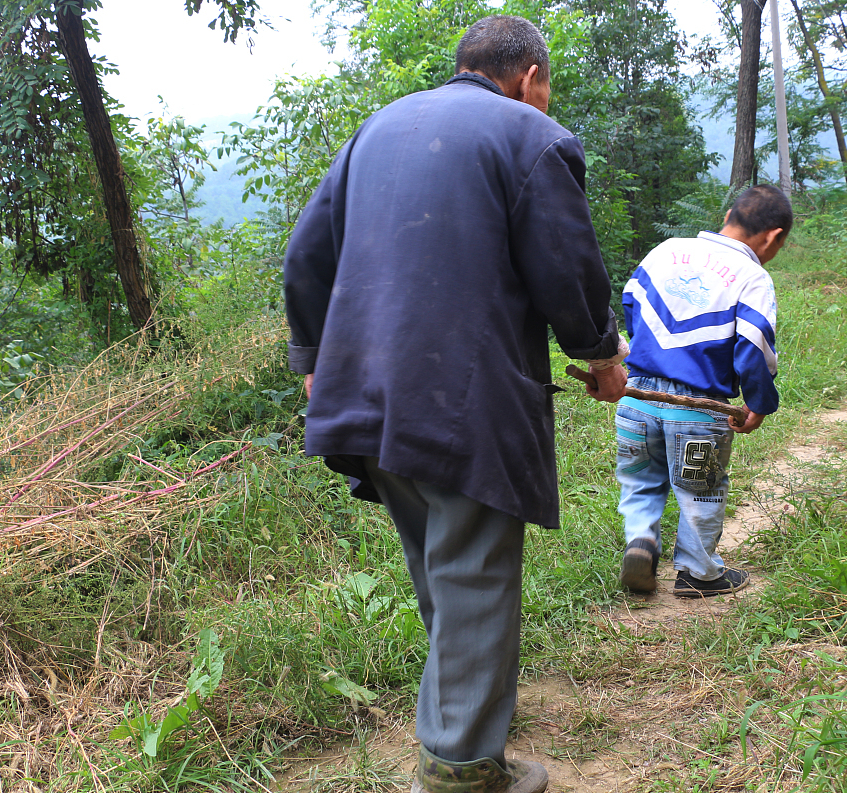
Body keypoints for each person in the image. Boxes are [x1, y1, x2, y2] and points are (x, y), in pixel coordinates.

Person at [282, 15, 627, 793]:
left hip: (364, 393)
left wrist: (312, 360)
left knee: (442, 571)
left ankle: (463, 733)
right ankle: (460, 770)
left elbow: (306, 251)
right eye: (548, 86)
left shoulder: (378, 127)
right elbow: (565, 265)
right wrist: (602, 353)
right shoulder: (528, 135)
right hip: (459, 399)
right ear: (530, 77)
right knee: (472, 577)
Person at [615, 184, 791, 598]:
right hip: (698, 410)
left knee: (640, 480)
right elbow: (753, 350)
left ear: (730, 214)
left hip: (636, 398)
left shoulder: (664, 250)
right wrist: (759, 403)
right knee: (701, 490)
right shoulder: (753, 278)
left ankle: (641, 542)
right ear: (774, 237)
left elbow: (629, 305)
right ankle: (698, 574)